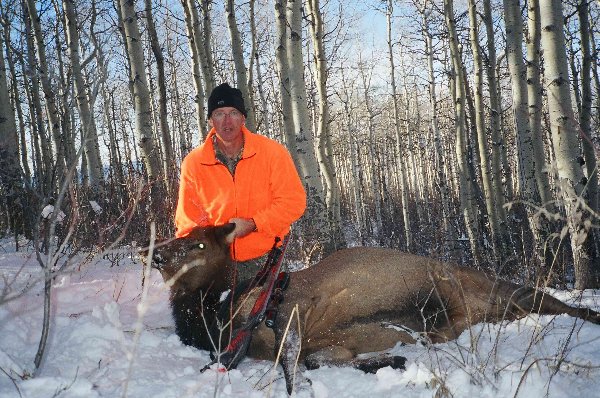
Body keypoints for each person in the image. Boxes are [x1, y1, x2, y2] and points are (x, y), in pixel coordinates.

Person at [175, 83, 306, 278]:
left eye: (234, 112)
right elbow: (188, 223)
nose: (227, 121)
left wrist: (254, 223)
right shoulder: (194, 163)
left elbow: (293, 202)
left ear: (243, 118)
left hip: (266, 256)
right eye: (219, 113)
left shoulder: (272, 153)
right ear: (210, 120)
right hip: (216, 261)